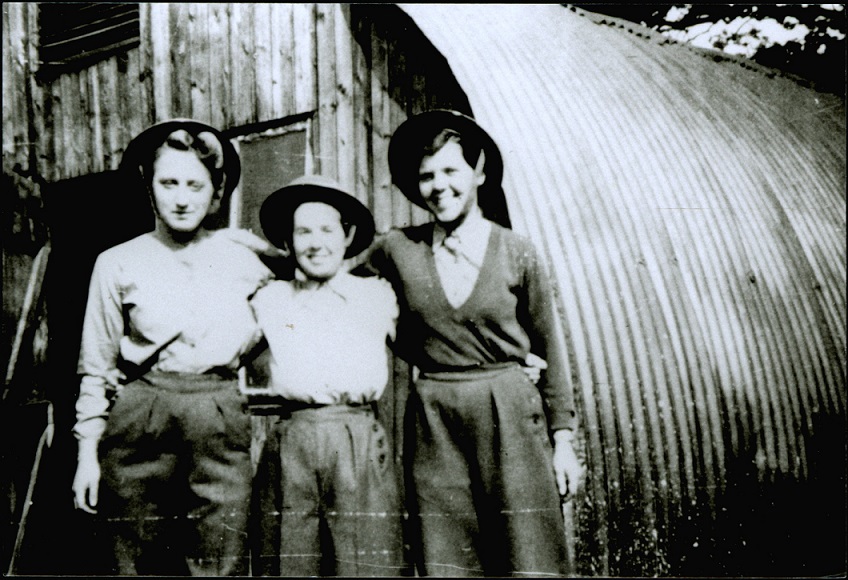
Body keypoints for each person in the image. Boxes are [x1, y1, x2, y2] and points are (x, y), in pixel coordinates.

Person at [365, 109, 584, 577]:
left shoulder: (516, 251)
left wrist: (562, 441)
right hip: (435, 419)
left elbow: (553, 350)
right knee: (445, 555)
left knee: (530, 553)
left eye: (451, 170)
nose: (438, 186)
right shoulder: (397, 249)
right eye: (426, 176)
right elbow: (330, 277)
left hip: (508, 412)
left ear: (479, 171)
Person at [71, 119, 272, 576]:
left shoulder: (243, 259)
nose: (182, 197)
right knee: (135, 559)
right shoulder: (116, 261)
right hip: (140, 416)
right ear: (149, 186)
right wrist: (87, 456)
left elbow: (294, 302)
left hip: (218, 414)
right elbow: (96, 366)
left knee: (220, 556)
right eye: (169, 182)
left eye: (195, 185)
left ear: (215, 192)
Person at [248, 174, 405, 577]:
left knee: (365, 562)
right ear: (289, 240)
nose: (316, 242)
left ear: (347, 235)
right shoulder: (270, 299)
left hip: (358, 443)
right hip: (292, 443)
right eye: (303, 231)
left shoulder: (377, 295)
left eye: (326, 229)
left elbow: (434, 339)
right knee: (289, 557)